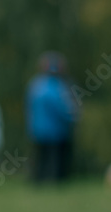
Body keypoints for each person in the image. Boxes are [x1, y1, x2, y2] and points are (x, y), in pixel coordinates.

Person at [27, 52, 78, 183]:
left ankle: (38, 180)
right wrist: (71, 119)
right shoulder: (58, 86)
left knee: (40, 157)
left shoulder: (35, 85)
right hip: (56, 130)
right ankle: (56, 181)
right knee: (55, 158)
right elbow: (62, 108)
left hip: (37, 129)